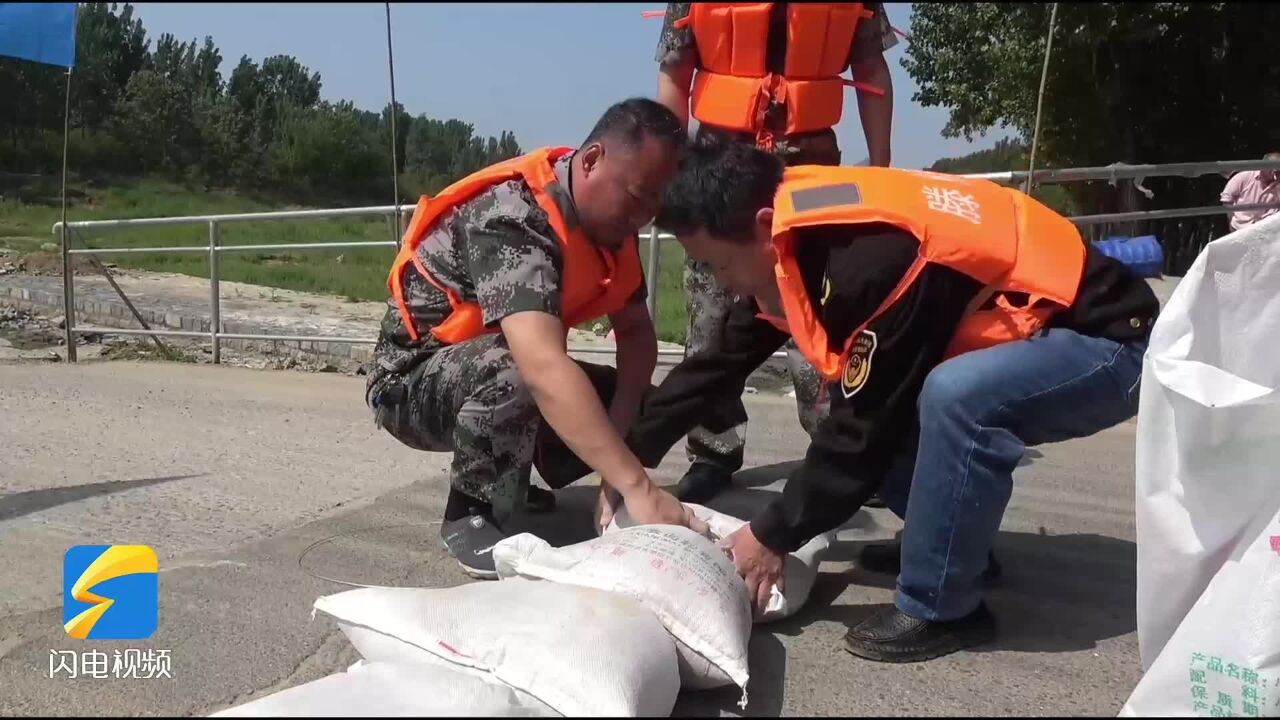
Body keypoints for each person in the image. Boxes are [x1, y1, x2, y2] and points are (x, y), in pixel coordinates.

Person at [627, 141, 1161, 662]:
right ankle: (952, 552)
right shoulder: (797, 233)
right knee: (886, 391)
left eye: (720, 266)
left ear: (763, 225)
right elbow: (719, 362)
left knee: (951, 397)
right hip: (1052, 331)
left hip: (1109, 343)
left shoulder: (868, 261)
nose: (724, 282)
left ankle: (944, 606)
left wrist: (770, 534)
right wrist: (626, 458)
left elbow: (862, 433)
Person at [365, 98, 703, 579]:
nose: (642, 219)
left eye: (654, 206)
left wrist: (618, 463)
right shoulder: (510, 217)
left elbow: (636, 337)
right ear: (591, 161)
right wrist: (638, 486)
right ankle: (471, 513)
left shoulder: (611, 227)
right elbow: (541, 366)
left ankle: (514, 476)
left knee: (639, 401)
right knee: (522, 370)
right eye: (636, 197)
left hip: (492, 366)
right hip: (410, 383)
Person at [653, 2, 899, 503]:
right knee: (711, 323)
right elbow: (675, 73)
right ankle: (711, 450)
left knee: (822, 318)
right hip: (720, 161)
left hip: (810, 168)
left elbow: (872, 68)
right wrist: (673, 169)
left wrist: (880, 164)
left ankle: (839, 450)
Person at [1220, 152, 1280, 232]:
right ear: (1263, 166)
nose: (1275, 173)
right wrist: (1231, 221)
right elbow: (1227, 198)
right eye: (1272, 169)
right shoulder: (1244, 176)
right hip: (1240, 228)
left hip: (1267, 229)